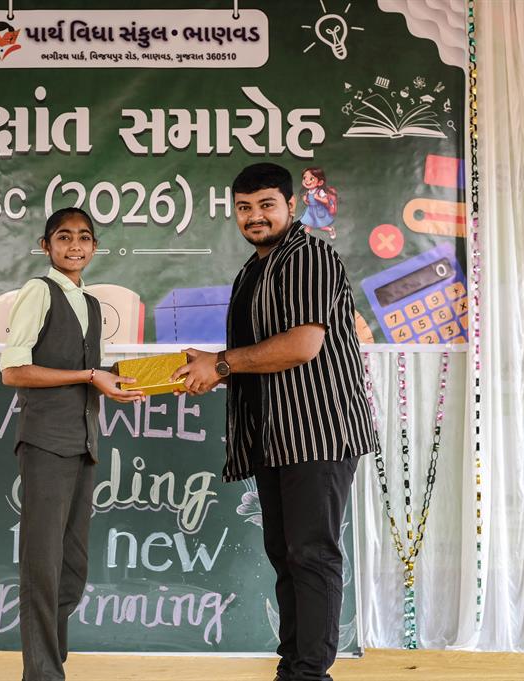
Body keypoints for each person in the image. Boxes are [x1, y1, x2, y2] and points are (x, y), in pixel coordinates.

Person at [171, 163, 378, 681]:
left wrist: (220, 364)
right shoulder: (254, 270)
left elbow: (302, 345)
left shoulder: (308, 255)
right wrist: (205, 369)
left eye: (266, 205)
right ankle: (295, 666)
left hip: (317, 430)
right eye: (244, 208)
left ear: (291, 205)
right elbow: (254, 356)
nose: (255, 216)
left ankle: (310, 674)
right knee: (286, 555)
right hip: (273, 435)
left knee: (311, 554)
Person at [0, 207, 144, 681]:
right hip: (45, 443)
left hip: (83, 445)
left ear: (95, 247)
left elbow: (93, 374)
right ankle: (41, 674)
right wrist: (88, 375)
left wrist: (147, 378)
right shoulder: (38, 292)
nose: (75, 245)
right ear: (46, 246)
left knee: (72, 569)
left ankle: (52, 663)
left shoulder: (93, 305)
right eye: (64, 237)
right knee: (42, 568)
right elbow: (14, 371)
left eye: (84, 237)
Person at [298, 167, 338, 239]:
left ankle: (330, 229)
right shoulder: (308, 192)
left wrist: (318, 198)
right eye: (304, 178)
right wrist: (305, 200)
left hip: (319, 211)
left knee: (321, 227)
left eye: (311, 179)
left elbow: (326, 201)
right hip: (310, 211)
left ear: (320, 182)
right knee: (308, 225)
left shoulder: (320, 191)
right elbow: (309, 203)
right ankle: (304, 238)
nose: (306, 181)